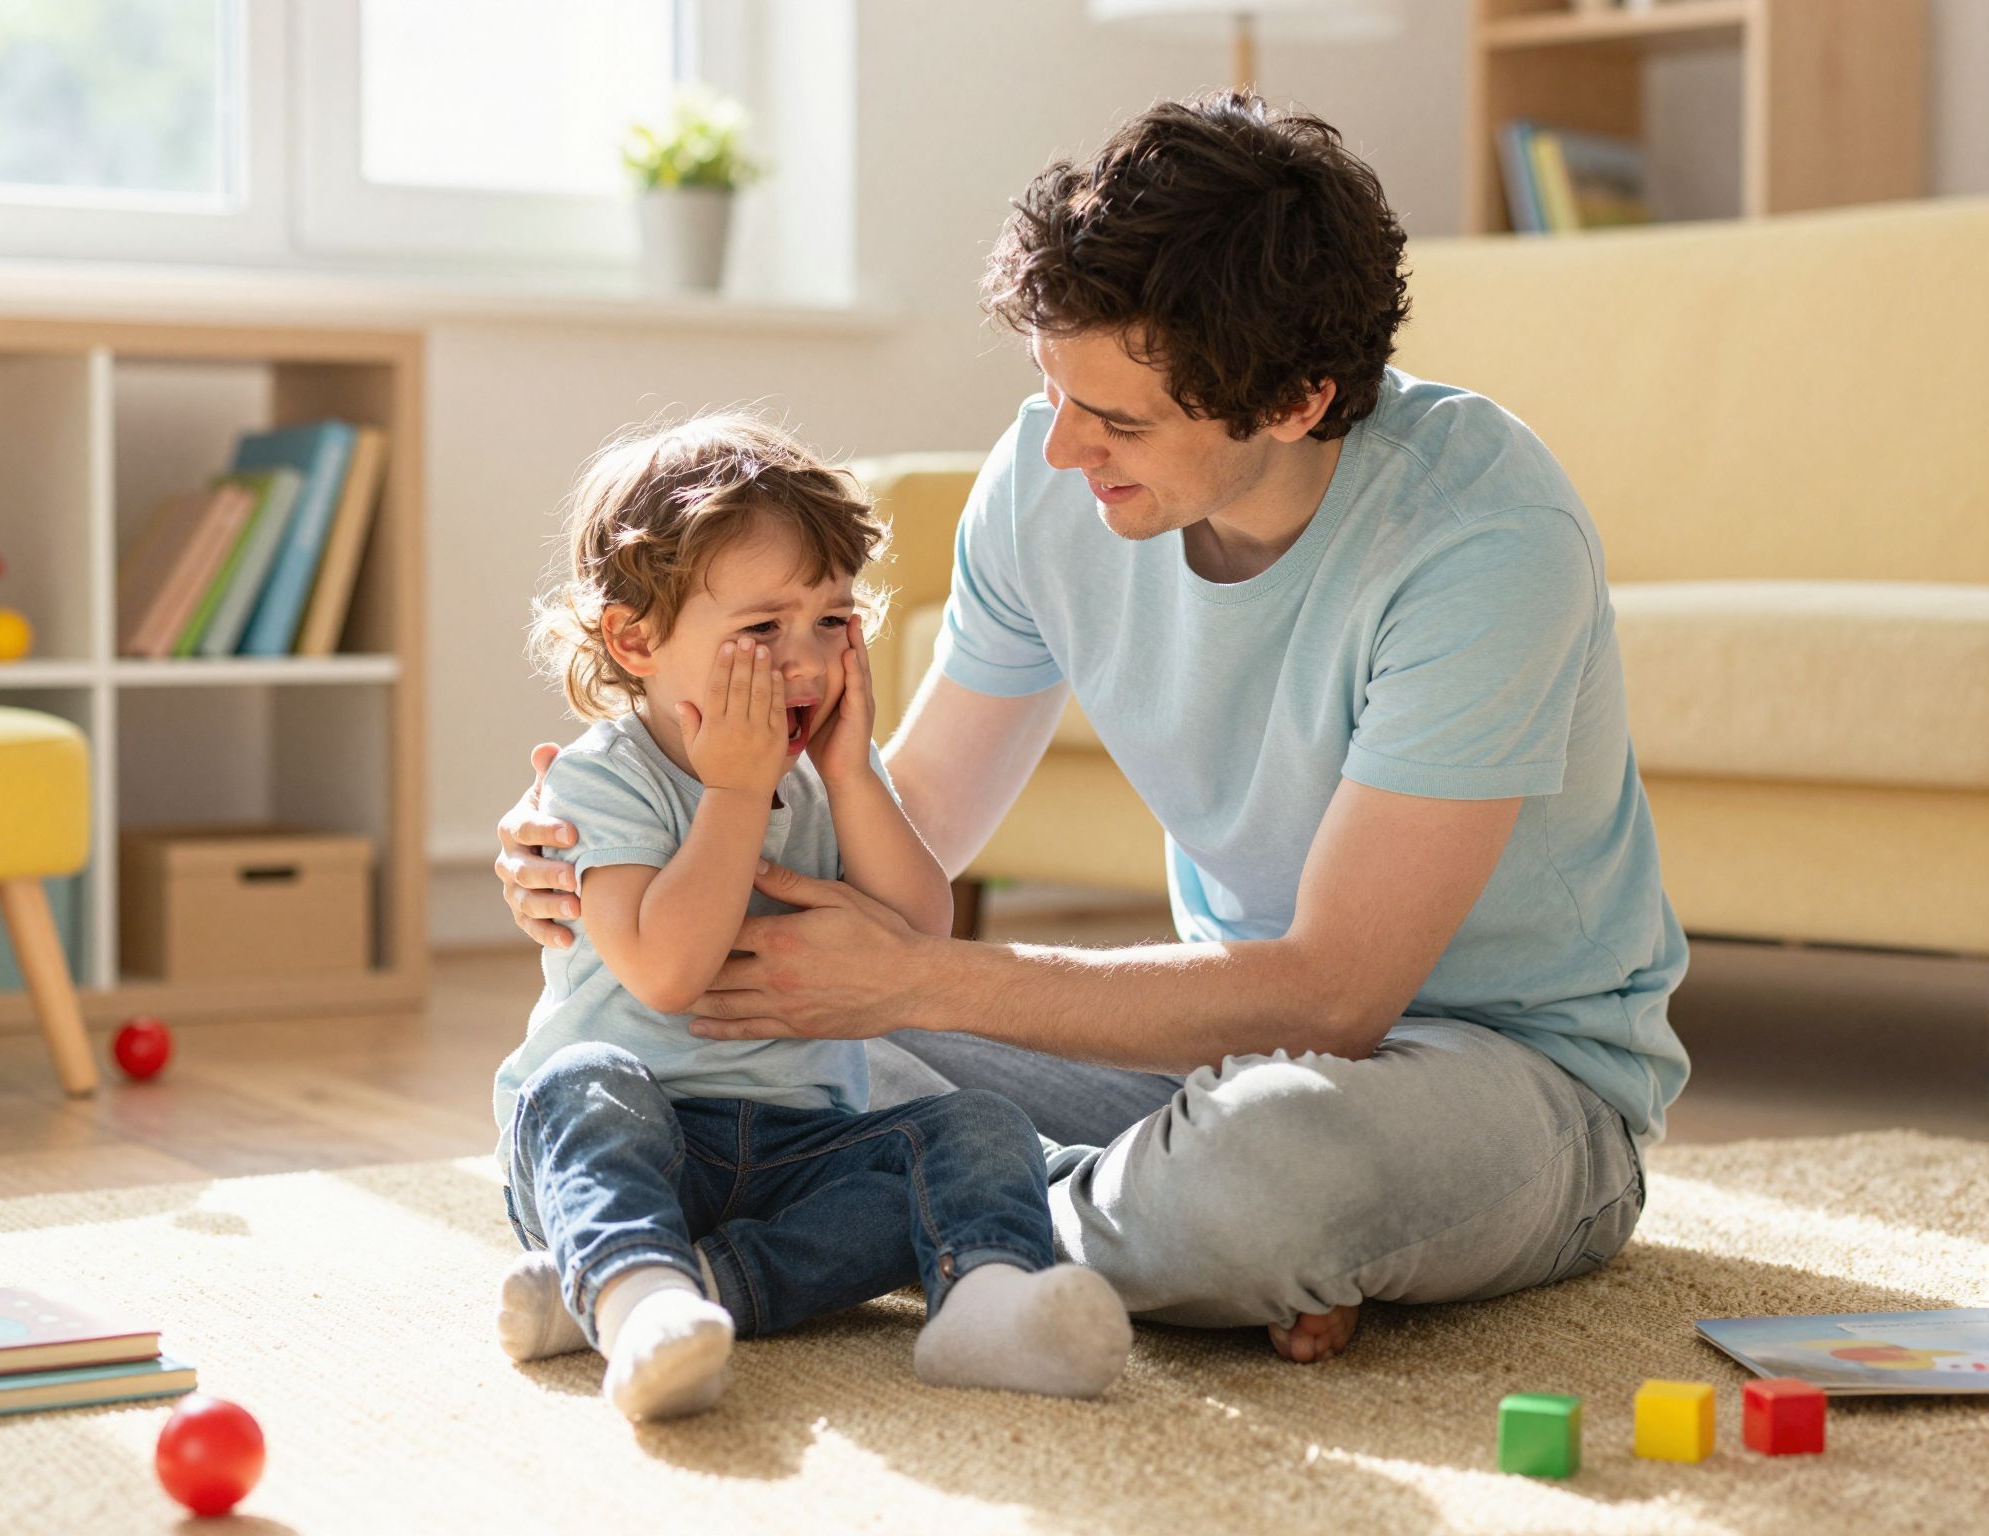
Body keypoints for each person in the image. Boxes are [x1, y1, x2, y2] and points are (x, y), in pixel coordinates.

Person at [498, 93, 1690, 1369]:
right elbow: (909, 833)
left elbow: (1339, 995)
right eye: (1054, 392)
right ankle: (1115, 1246)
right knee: (735, 1028)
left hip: (1506, 1080)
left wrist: (911, 979)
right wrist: (615, 837)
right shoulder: (1046, 477)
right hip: (1202, 1054)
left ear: (1294, 399)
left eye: (1120, 422)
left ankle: (806, 1248)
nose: (1062, 450)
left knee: (1261, 1167)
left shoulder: (1478, 541)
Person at [492, 414, 1131, 1423]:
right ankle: (638, 1295)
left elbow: (919, 936)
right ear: (634, 640)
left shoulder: (832, 770)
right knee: (581, 1091)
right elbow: (666, 971)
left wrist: (847, 773)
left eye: (831, 622)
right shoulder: (600, 782)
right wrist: (735, 798)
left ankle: (980, 1305)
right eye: (760, 629)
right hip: (639, 1136)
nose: (803, 661)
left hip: (801, 1145)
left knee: (977, 1130)